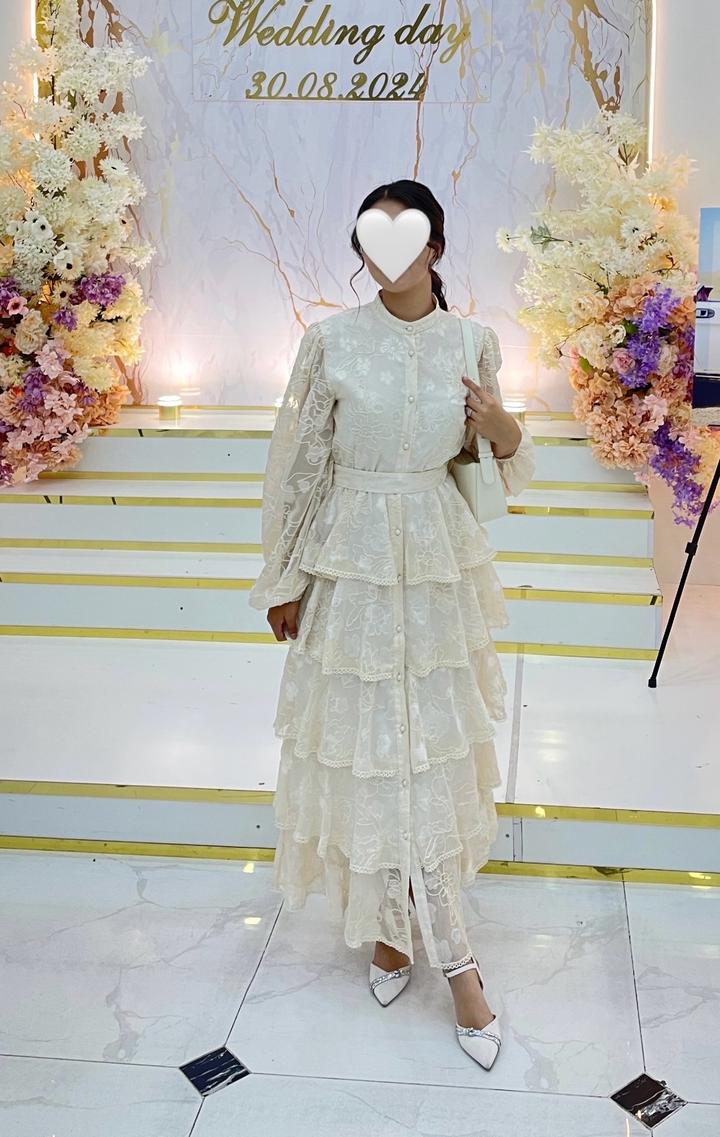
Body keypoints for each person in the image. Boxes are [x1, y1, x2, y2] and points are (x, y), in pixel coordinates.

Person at [247, 179, 536, 1070]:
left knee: (427, 754)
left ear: (435, 249)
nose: (386, 257)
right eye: (370, 241)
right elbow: (298, 466)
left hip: (437, 563)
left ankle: (455, 959)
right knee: (371, 744)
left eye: (404, 240)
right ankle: (388, 925)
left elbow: (497, 463)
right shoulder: (331, 341)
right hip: (352, 563)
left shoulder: (472, 342)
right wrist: (283, 576)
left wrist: (502, 424)